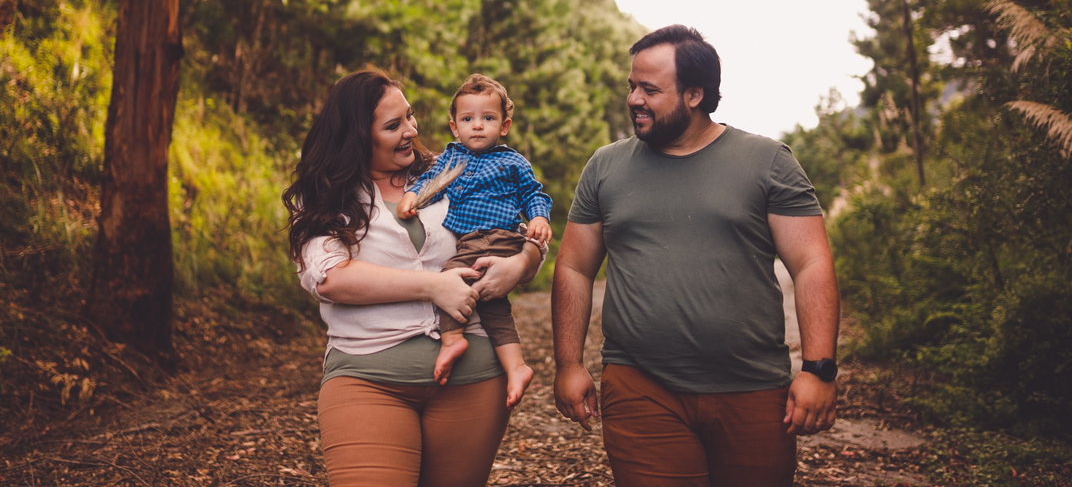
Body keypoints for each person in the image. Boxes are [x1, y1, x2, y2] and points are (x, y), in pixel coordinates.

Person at [551, 25, 840, 487]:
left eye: (650, 89)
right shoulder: (605, 167)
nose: (634, 99)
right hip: (640, 384)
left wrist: (819, 368)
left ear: (694, 94)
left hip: (752, 386)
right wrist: (568, 364)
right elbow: (573, 266)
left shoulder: (767, 162)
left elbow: (811, 263)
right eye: (631, 86)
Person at [284, 69, 543, 487]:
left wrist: (524, 262)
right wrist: (433, 285)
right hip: (369, 380)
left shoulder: (454, 168)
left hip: (473, 381)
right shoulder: (324, 195)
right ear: (357, 137)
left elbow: (516, 230)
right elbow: (329, 277)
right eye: (392, 126)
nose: (410, 130)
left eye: (410, 116)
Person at [397, 73, 553, 407]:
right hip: (470, 242)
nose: (478, 126)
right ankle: (517, 366)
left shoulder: (511, 161)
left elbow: (533, 194)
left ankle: (452, 340)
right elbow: (428, 180)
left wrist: (538, 217)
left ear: (505, 125)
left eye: (488, 118)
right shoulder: (451, 158)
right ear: (455, 127)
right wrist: (411, 196)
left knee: (449, 279)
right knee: (493, 305)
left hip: (499, 238)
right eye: (468, 119)